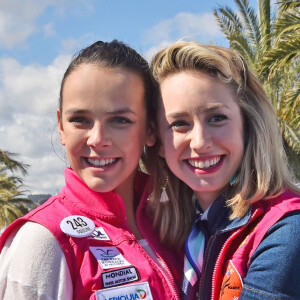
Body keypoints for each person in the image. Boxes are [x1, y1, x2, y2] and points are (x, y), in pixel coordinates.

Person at [0, 40, 183, 300]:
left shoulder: (175, 223)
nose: (97, 139)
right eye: (80, 120)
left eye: (120, 120)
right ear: (61, 126)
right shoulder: (44, 238)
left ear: (150, 129)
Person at [148, 40, 300, 299]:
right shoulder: (170, 229)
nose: (200, 142)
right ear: (159, 142)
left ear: (247, 125)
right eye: (179, 123)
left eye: (217, 118)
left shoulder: (286, 229)